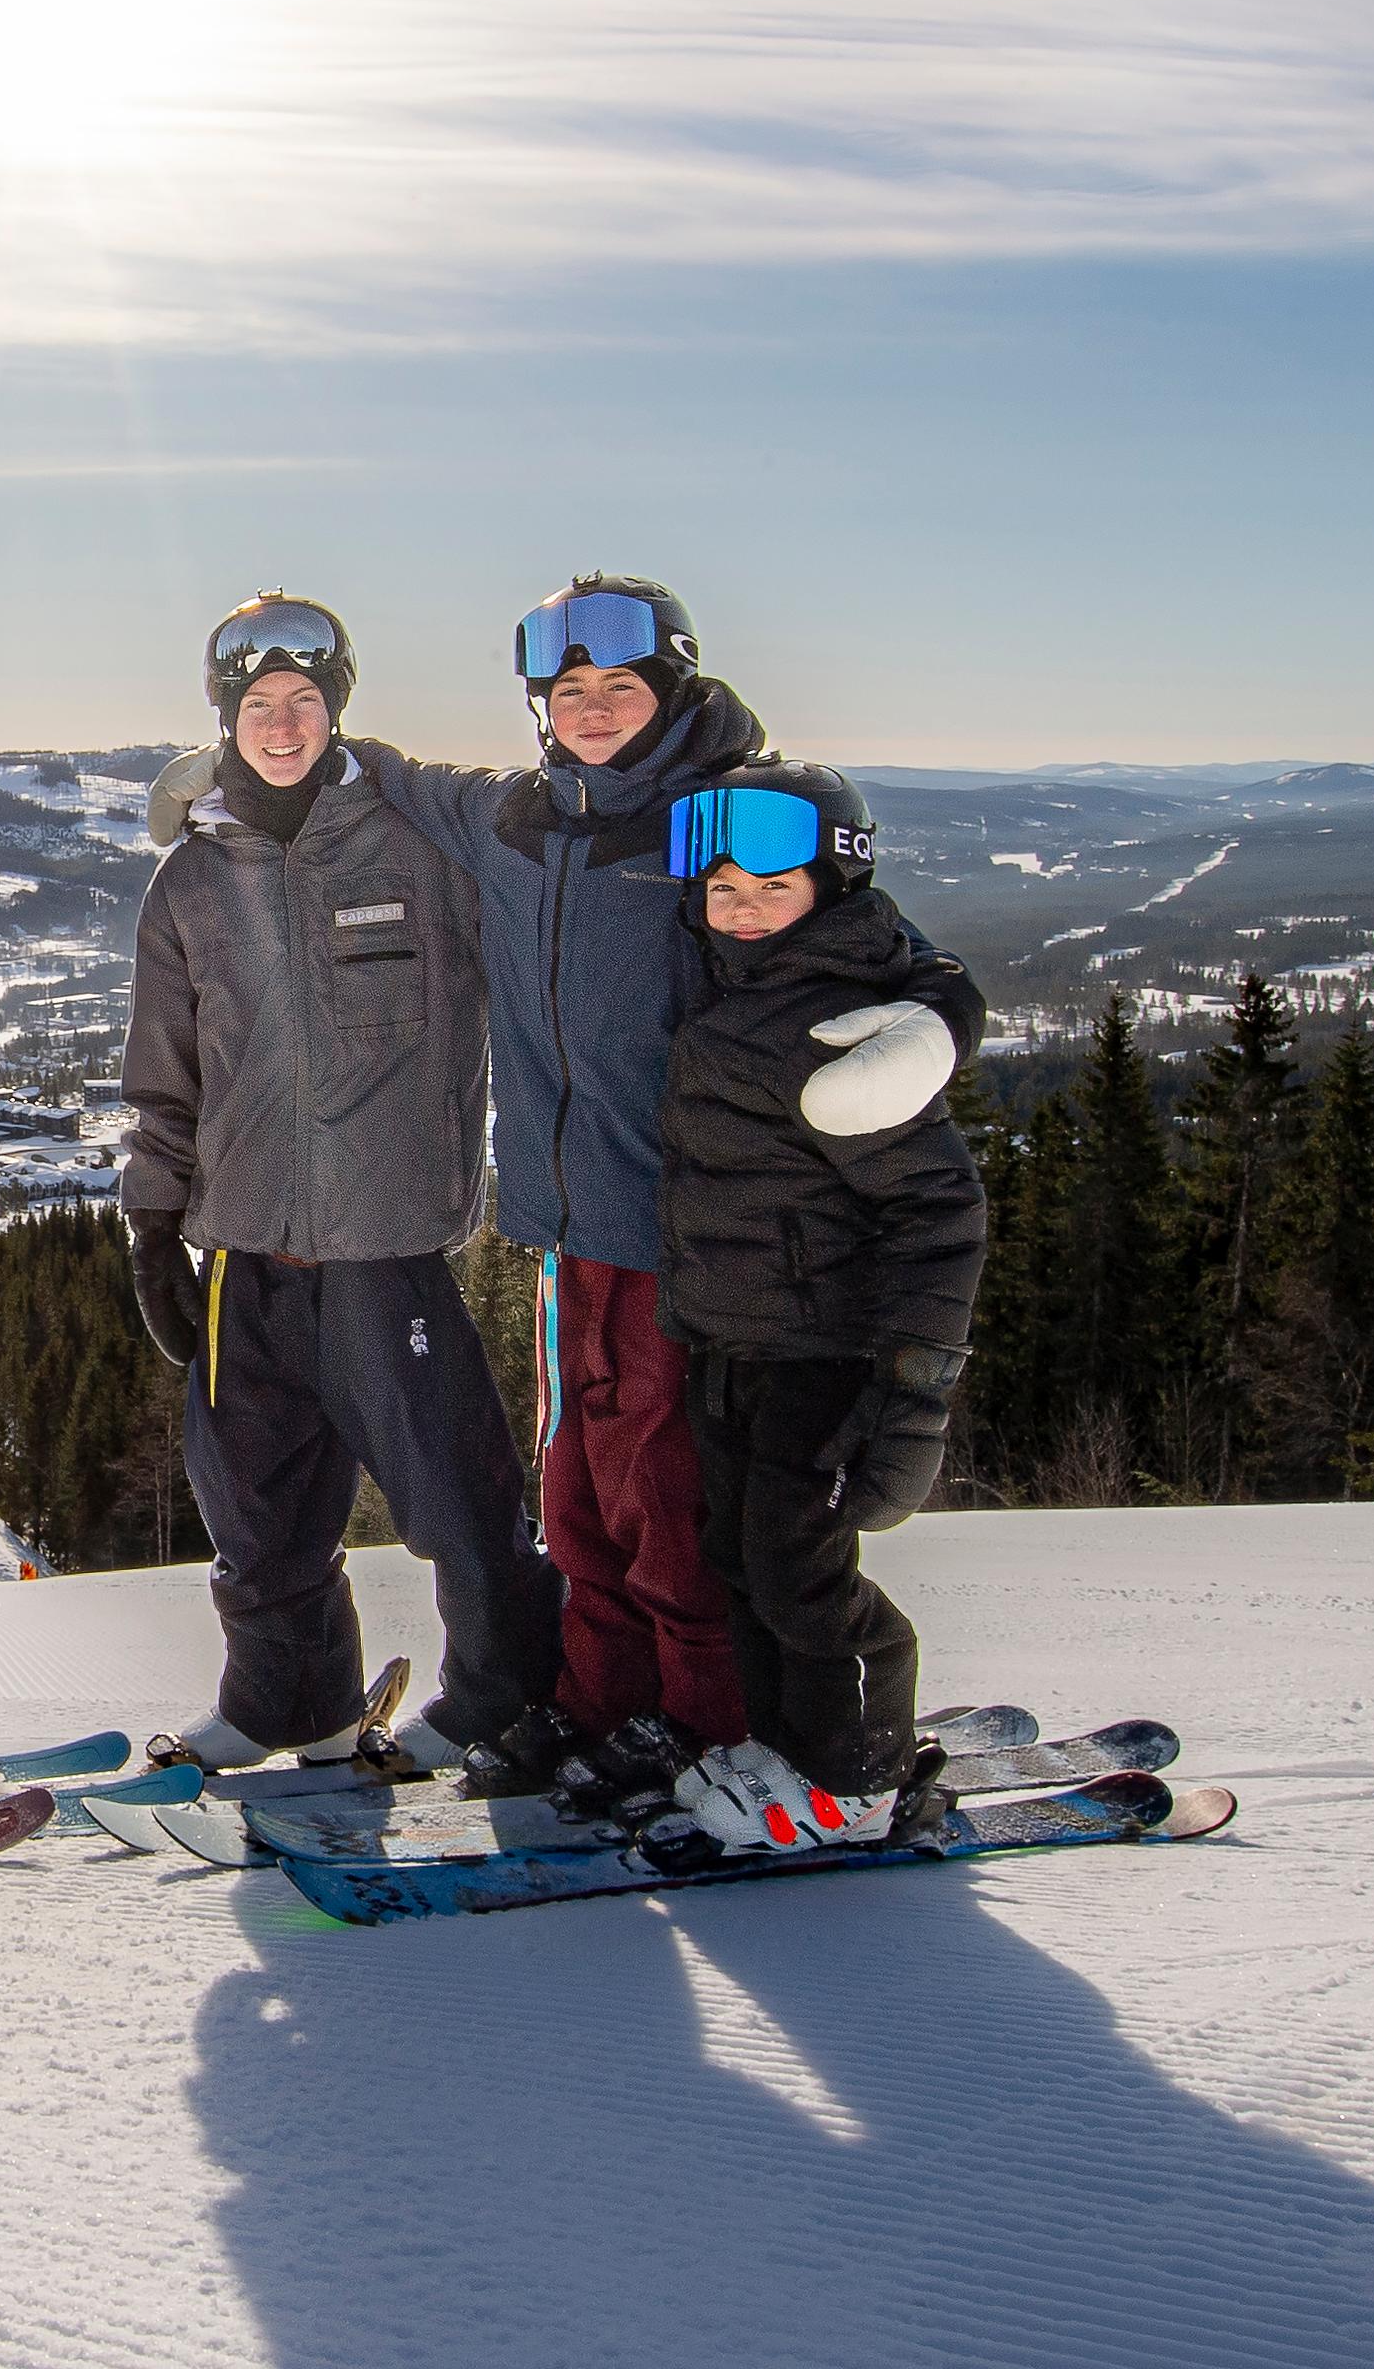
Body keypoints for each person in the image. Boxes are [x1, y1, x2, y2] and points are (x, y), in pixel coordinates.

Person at [146, 576, 980, 1795]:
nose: (593, 709)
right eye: (569, 688)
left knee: (663, 1506)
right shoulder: (509, 820)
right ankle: (598, 1705)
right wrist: (204, 783)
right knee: (581, 1500)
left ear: (674, 686)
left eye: (621, 687)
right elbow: (355, 768)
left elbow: (842, 927)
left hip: (688, 1235)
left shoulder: (715, 816)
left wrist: (943, 1014)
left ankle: (699, 1727)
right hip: (560, 1231)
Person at [119, 592, 564, 1769]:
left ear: (336, 710)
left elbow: (543, 934)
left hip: (384, 1249)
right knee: (254, 1512)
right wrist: (154, 1226)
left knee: (455, 1503)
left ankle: (505, 1700)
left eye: (303, 702)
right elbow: (166, 1081)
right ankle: (287, 1704)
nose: (281, 723)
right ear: (226, 715)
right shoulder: (190, 882)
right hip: (244, 1251)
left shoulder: (420, 849)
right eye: (258, 704)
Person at [651, 761, 989, 1851]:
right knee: (744, 1563)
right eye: (724, 891)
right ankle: (785, 1751)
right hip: (733, 1343)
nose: (745, 911)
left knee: (804, 1577)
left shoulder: (852, 1028)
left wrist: (913, 1384)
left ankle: (860, 1778)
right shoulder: (731, 986)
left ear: (830, 892)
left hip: (823, 1357)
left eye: (774, 890)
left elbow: (939, 1215)